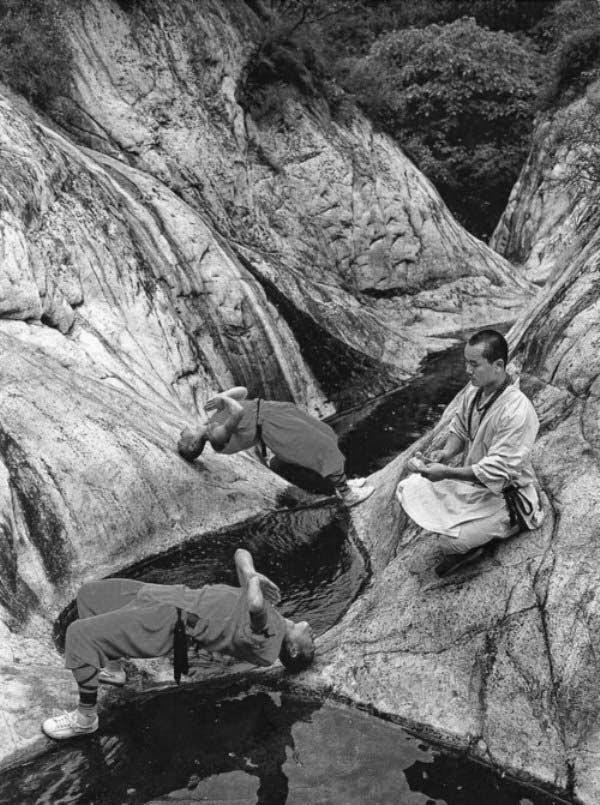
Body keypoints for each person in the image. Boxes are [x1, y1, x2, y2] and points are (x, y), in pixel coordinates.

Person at [42, 549, 315, 740]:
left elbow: (255, 605)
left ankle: (85, 718)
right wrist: (251, 573)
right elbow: (240, 553)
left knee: (78, 635)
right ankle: (113, 670)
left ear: (292, 650)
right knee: (90, 594)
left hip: (168, 622)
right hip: (170, 597)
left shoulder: (269, 639)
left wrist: (253, 580)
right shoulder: (274, 618)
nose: (313, 636)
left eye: (311, 644)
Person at [396, 329, 544, 578]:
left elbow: (497, 471)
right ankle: (471, 528)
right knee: (408, 487)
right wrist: (444, 454)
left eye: (474, 365)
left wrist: (446, 473)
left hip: (505, 496)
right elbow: (459, 430)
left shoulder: (517, 410)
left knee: (450, 543)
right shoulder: (474, 392)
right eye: (466, 363)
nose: (467, 370)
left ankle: (501, 530)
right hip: (475, 485)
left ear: (498, 365)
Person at [178, 387, 373, 506]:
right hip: (272, 427)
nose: (181, 433)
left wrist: (223, 395)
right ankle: (347, 495)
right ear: (193, 444)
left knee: (325, 433)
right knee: (321, 447)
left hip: (272, 412)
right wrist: (225, 400)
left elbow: (243, 392)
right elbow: (237, 412)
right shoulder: (216, 436)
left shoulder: (211, 422)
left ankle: (343, 483)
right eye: (182, 439)